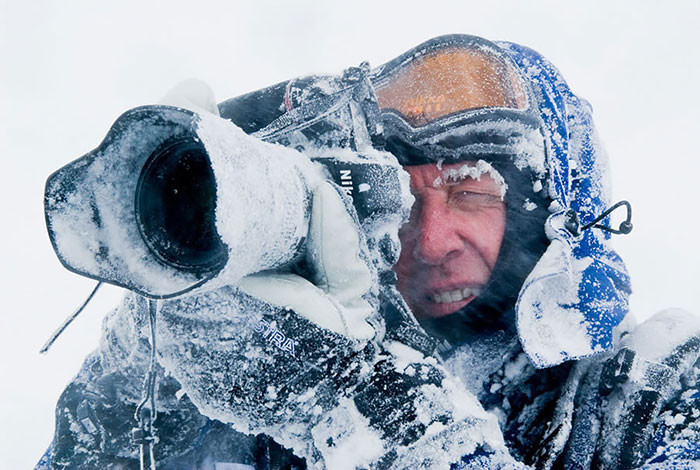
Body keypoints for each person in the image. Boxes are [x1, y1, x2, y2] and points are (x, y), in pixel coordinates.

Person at [38, 35, 700, 469]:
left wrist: (357, 398)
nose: (431, 239)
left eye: (470, 191)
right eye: (406, 200)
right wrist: (146, 361)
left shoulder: (659, 393)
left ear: (552, 216)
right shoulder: (267, 390)